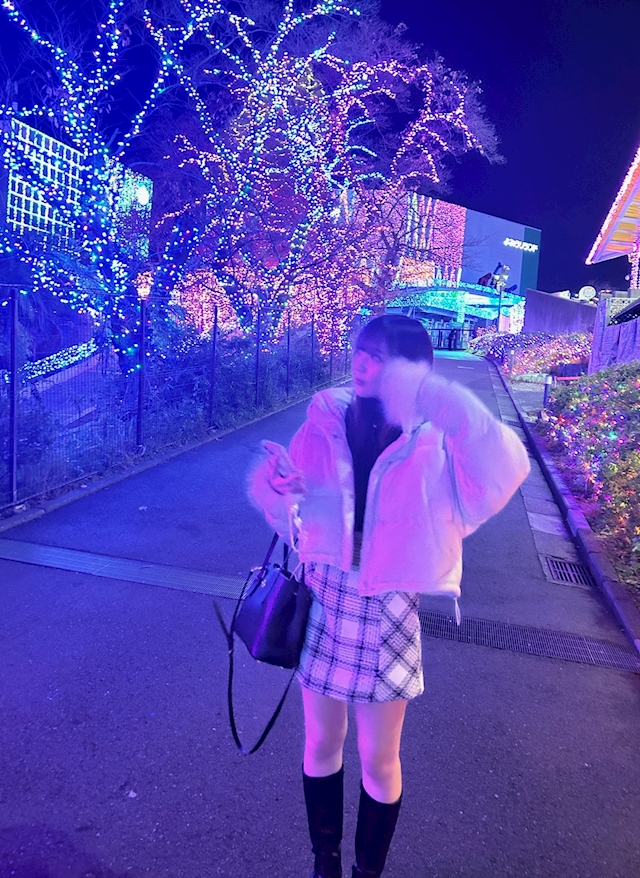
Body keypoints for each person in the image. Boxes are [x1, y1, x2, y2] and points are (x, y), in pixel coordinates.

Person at [248, 314, 530, 878]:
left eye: (380, 356)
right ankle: (325, 863)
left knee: (379, 759)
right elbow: (302, 524)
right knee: (320, 742)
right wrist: (282, 493)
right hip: (324, 598)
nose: (362, 363)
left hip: (388, 610)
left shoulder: (433, 439)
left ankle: (367, 871)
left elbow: (505, 468)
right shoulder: (323, 423)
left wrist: (438, 399)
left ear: (413, 370)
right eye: (360, 350)